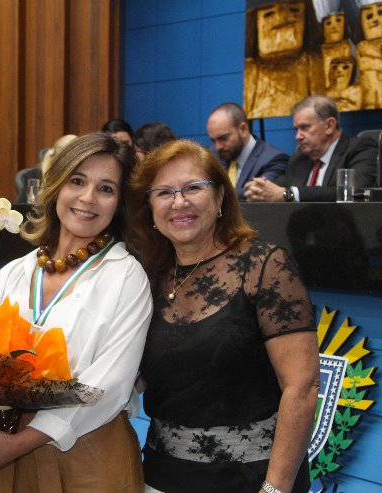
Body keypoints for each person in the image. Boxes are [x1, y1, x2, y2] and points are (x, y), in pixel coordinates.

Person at [0, 132, 153, 492]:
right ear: (56, 185)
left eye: (106, 188)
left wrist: (18, 444)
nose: (88, 198)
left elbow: (110, 384)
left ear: (120, 203)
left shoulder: (126, 276)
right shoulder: (14, 273)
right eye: (77, 181)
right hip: (8, 456)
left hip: (91, 456)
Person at [127, 139, 319, 493]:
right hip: (159, 475)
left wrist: (274, 488)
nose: (179, 201)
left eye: (193, 188)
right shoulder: (145, 277)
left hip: (251, 479)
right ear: (150, 209)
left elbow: (302, 387)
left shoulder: (264, 266)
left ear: (220, 199)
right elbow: (133, 378)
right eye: (164, 192)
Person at [243, 94, 378, 202]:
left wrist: (289, 194)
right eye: (296, 129)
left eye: (305, 127)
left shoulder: (360, 149)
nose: (298, 136)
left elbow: (353, 192)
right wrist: (260, 190)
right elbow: (278, 188)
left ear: (329, 126)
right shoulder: (299, 158)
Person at [206, 102, 288, 199]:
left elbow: (257, 193)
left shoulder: (274, 159)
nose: (218, 146)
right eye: (213, 140)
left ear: (243, 129)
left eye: (223, 138)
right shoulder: (212, 155)